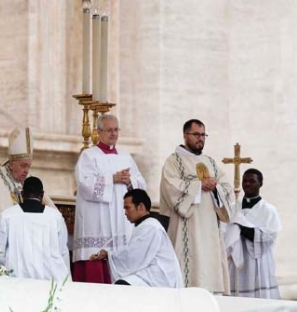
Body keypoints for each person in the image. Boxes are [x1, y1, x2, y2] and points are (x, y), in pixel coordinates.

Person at [160, 119, 234, 295]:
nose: (200, 139)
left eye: (203, 135)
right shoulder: (174, 161)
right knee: (189, 276)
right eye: (196, 135)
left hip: (210, 228)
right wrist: (198, 186)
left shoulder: (210, 162)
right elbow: (170, 187)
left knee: (209, 270)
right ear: (185, 135)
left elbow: (226, 187)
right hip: (187, 225)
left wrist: (215, 188)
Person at [72, 114, 146, 284]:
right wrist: (111, 179)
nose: (113, 134)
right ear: (99, 132)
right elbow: (84, 184)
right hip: (98, 219)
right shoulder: (88, 156)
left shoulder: (126, 156)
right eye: (109, 130)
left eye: (116, 130)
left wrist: (130, 181)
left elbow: (141, 183)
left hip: (122, 219)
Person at [90, 189, 183, 288]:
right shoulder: (146, 225)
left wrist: (109, 255)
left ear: (141, 207)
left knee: (122, 286)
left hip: (160, 278)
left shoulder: (150, 227)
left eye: (127, 208)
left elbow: (133, 257)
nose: (125, 213)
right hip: (151, 274)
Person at [0, 127, 56, 236]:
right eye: (23, 166)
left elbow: (52, 210)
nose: (26, 171)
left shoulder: (29, 180)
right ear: (11, 164)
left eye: (29, 166)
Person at [0, 177, 70, 281]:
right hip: (50, 280)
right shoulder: (55, 217)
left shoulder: (7, 215)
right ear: (42, 195)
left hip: (15, 279)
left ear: (22, 194)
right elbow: (62, 251)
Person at [226, 169, 281, 299]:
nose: (248, 184)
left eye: (252, 181)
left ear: (260, 183)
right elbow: (223, 233)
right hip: (236, 260)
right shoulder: (233, 208)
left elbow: (270, 236)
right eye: (245, 181)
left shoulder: (268, 210)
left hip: (259, 262)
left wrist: (243, 227)